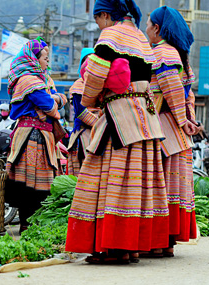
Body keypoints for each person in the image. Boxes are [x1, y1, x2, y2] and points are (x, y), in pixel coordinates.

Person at [65, 0, 170, 264]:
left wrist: (90, 99)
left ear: (104, 15)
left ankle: (115, 248)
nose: (98, 25)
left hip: (119, 115)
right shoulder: (141, 38)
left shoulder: (110, 35)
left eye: (97, 19)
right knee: (137, 181)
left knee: (110, 177)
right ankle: (132, 247)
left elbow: (96, 74)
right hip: (145, 116)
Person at [145, 5, 198, 257]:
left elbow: (172, 91)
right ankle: (166, 243)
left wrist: (181, 118)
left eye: (147, 24)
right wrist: (189, 119)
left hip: (163, 127)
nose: (145, 29)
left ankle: (157, 242)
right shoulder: (180, 56)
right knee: (171, 188)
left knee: (159, 187)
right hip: (178, 132)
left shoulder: (162, 53)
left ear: (157, 28)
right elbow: (188, 94)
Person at [5, 39, 66, 234]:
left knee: (40, 184)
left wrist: (55, 99)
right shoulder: (28, 80)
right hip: (32, 137)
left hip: (42, 136)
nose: (48, 62)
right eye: (45, 58)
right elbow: (50, 107)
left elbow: (55, 100)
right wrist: (56, 99)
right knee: (29, 184)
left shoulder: (43, 79)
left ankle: (33, 225)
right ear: (33, 59)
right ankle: (27, 224)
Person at [67, 48, 100, 177]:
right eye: (87, 60)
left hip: (99, 130)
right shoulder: (78, 86)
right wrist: (101, 125)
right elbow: (81, 112)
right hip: (84, 132)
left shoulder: (100, 85)